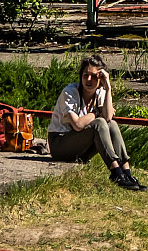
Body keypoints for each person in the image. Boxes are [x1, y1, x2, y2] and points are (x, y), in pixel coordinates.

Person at [47, 56, 142, 189]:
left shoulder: (101, 92)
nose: (89, 80)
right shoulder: (70, 92)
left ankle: (126, 172)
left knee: (111, 124)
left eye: (94, 76)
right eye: (85, 75)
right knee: (99, 123)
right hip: (60, 144)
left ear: (101, 79)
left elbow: (108, 117)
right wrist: (97, 112)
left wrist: (108, 88)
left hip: (81, 148)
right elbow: (78, 125)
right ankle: (115, 172)